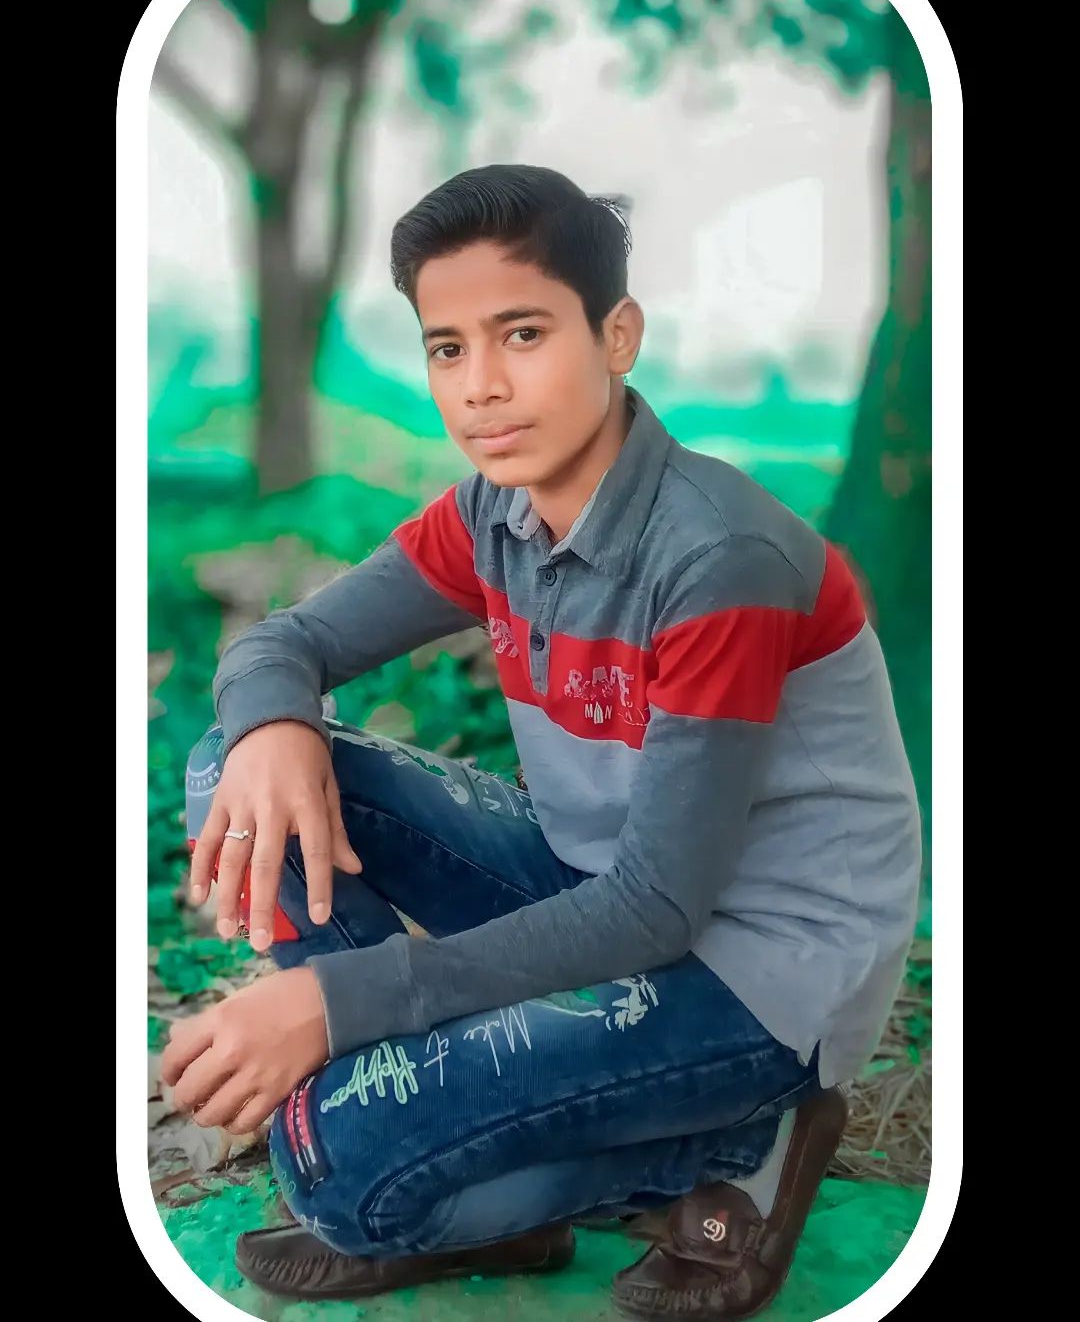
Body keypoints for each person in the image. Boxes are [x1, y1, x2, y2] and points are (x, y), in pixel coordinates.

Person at [162, 164, 921, 1320]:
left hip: (754, 972)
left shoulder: (719, 560)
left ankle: (747, 1138)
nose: (481, 386)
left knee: (335, 1166)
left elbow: (659, 910)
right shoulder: (494, 512)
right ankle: (469, 1117)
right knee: (232, 766)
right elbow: (290, 641)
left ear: (617, 336)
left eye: (522, 334)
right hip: (598, 887)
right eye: (447, 347)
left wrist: (338, 1003)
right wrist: (272, 724)